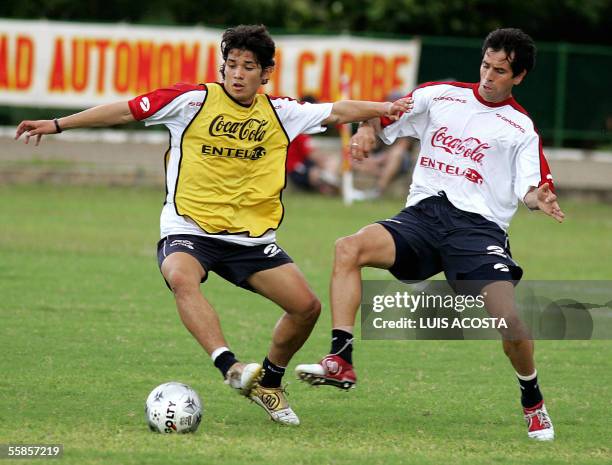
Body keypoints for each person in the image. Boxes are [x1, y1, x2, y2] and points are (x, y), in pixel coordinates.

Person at [15, 24, 411, 426]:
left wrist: (383, 110)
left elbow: (339, 110)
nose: (237, 73)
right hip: (188, 228)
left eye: (248, 67)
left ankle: (269, 384)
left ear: (266, 73)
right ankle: (232, 368)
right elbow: (126, 109)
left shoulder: (281, 112)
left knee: (306, 307)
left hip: (251, 239)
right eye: (232, 65)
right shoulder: (190, 101)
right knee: (181, 276)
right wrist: (58, 124)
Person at [296, 28, 564, 440]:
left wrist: (538, 199)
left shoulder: (520, 128)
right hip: (422, 217)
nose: (489, 76)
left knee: (508, 318)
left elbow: (530, 188)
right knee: (347, 248)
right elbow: (384, 115)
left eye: (500, 71)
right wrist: (369, 131)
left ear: (519, 76)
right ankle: (341, 358)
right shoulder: (440, 95)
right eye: (485, 66)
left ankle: (532, 397)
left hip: (477, 230)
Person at [286, 96, 340, 196]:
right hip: (295, 167)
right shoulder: (299, 130)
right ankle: (330, 182)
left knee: (327, 165)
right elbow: (311, 154)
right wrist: (325, 160)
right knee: (318, 171)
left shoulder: (297, 127)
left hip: (302, 164)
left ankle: (329, 182)